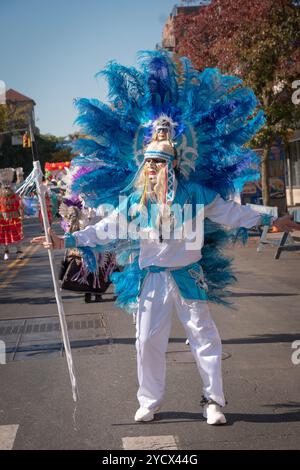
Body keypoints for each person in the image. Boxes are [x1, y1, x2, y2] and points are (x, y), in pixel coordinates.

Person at [32, 119, 299, 425]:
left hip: (188, 275)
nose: (150, 169)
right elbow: (106, 229)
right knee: (146, 340)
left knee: (204, 338)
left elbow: (233, 213)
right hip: (152, 278)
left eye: (157, 163)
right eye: (147, 163)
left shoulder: (196, 193)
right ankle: (149, 400)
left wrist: (271, 221)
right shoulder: (136, 201)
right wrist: (64, 240)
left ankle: (213, 401)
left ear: (171, 166)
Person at [0, 168, 24, 260]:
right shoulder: (0, 196)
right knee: (4, 236)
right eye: (5, 187)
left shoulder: (15, 195)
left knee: (16, 235)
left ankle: (19, 252)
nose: (6, 188)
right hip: (3, 219)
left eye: (8, 186)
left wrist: (21, 214)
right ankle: (6, 252)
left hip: (14, 218)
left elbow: (20, 205)